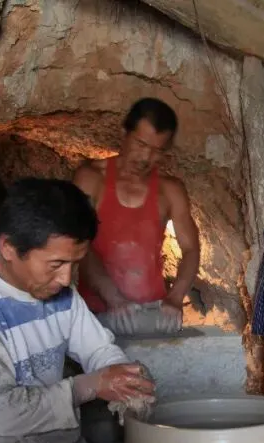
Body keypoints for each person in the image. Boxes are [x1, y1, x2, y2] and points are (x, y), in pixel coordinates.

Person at [0, 177, 154, 443]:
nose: (66, 278)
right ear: (9, 248)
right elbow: (1, 412)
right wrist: (92, 386)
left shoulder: (58, 291)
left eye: (75, 263)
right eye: (56, 264)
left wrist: (124, 376)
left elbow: (97, 349)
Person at [74, 97, 200, 334]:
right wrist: (112, 297)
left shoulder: (170, 190)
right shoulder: (91, 178)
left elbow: (191, 248)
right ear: (124, 133)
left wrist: (175, 297)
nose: (145, 157)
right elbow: (80, 243)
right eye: (140, 144)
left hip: (152, 311)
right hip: (97, 312)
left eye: (156, 151)